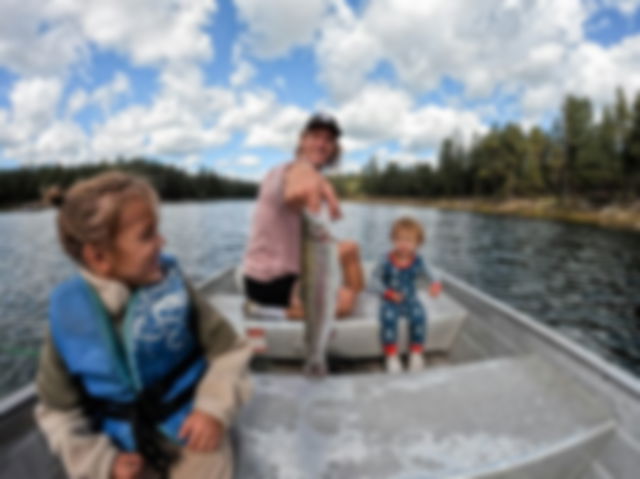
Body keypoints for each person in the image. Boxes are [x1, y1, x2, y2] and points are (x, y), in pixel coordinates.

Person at [34, 171, 252, 479]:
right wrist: (102, 463)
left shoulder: (175, 287)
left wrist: (213, 409)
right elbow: (58, 411)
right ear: (98, 256)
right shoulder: (68, 317)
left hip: (191, 431)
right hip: (120, 451)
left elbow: (231, 352)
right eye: (147, 234)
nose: (162, 241)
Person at [242, 113, 364, 319]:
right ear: (302, 140)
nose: (322, 143)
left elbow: (310, 232)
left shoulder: (315, 179)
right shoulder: (284, 171)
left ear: (334, 147)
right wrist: (313, 178)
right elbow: (296, 186)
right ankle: (273, 312)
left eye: (328, 139)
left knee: (350, 248)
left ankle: (362, 304)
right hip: (269, 281)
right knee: (345, 302)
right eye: (315, 136)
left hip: (295, 266)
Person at [370, 217, 442, 373]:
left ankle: (416, 353)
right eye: (399, 239)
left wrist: (435, 284)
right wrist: (387, 292)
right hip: (390, 299)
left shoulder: (419, 261)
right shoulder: (385, 260)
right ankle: (391, 356)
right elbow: (373, 281)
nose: (403, 244)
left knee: (419, 316)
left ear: (418, 243)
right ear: (392, 240)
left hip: (410, 299)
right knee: (388, 318)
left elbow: (434, 274)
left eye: (409, 240)